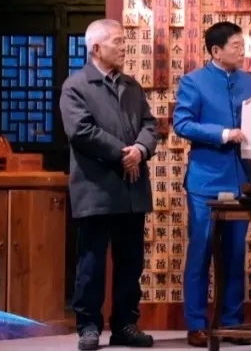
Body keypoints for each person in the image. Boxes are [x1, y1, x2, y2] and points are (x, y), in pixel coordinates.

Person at [60, 19, 159, 351]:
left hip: (132, 189)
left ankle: (125, 325)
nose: (124, 47)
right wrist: (123, 154)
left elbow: (150, 125)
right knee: (91, 262)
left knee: (131, 262)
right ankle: (88, 326)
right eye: (117, 41)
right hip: (96, 188)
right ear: (96, 47)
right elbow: (81, 131)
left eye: (124, 41)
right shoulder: (76, 86)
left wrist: (140, 149)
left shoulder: (131, 86)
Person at [172, 21, 251, 347]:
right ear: (216, 51)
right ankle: (196, 324)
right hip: (205, 182)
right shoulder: (193, 81)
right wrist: (222, 134)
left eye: (243, 44)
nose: (242, 51)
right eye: (236, 45)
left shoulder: (250, 82)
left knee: (235, 254)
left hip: (240, 180)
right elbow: (182, 123)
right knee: (201, 252)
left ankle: (232, 323)